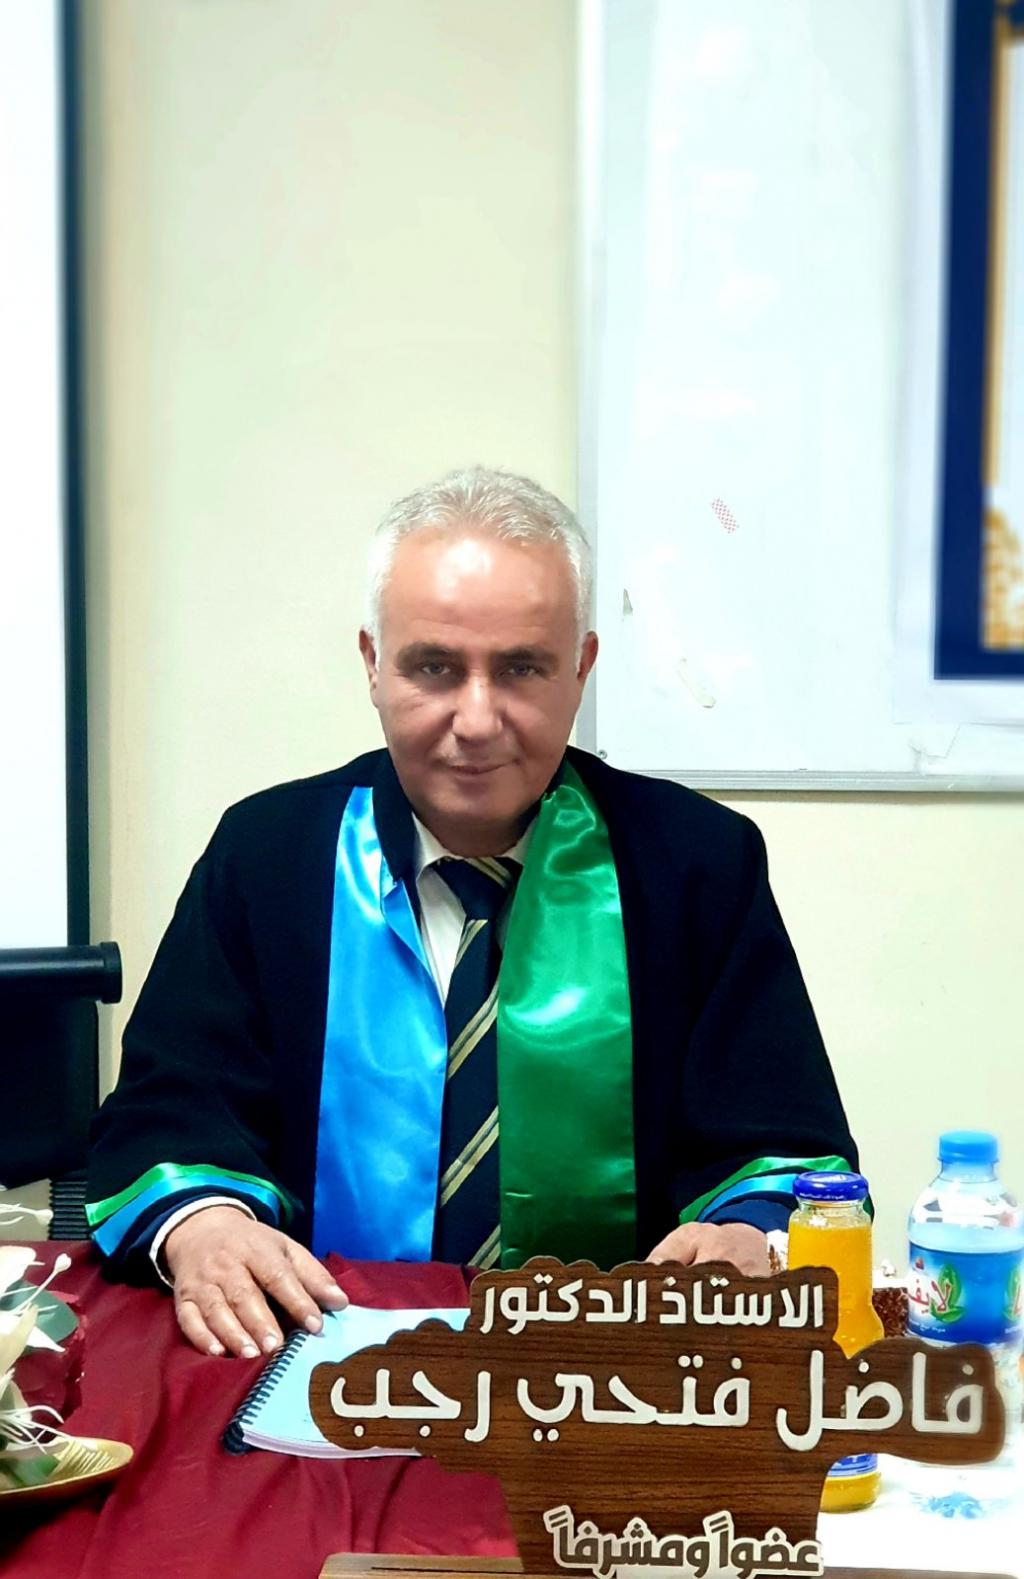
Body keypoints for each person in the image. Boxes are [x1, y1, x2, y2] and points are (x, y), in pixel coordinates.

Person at [87, 467, 857, 1360]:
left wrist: (749, 1233)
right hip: (313, 1363)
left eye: (522, 668)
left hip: (616, 1377)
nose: (478, 718)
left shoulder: (698, 866)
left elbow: (778, 1147)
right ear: (373, 664)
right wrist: (206, 1225)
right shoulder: (267, 857)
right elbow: (174, 1107)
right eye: (434, 667)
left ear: (582, 669)